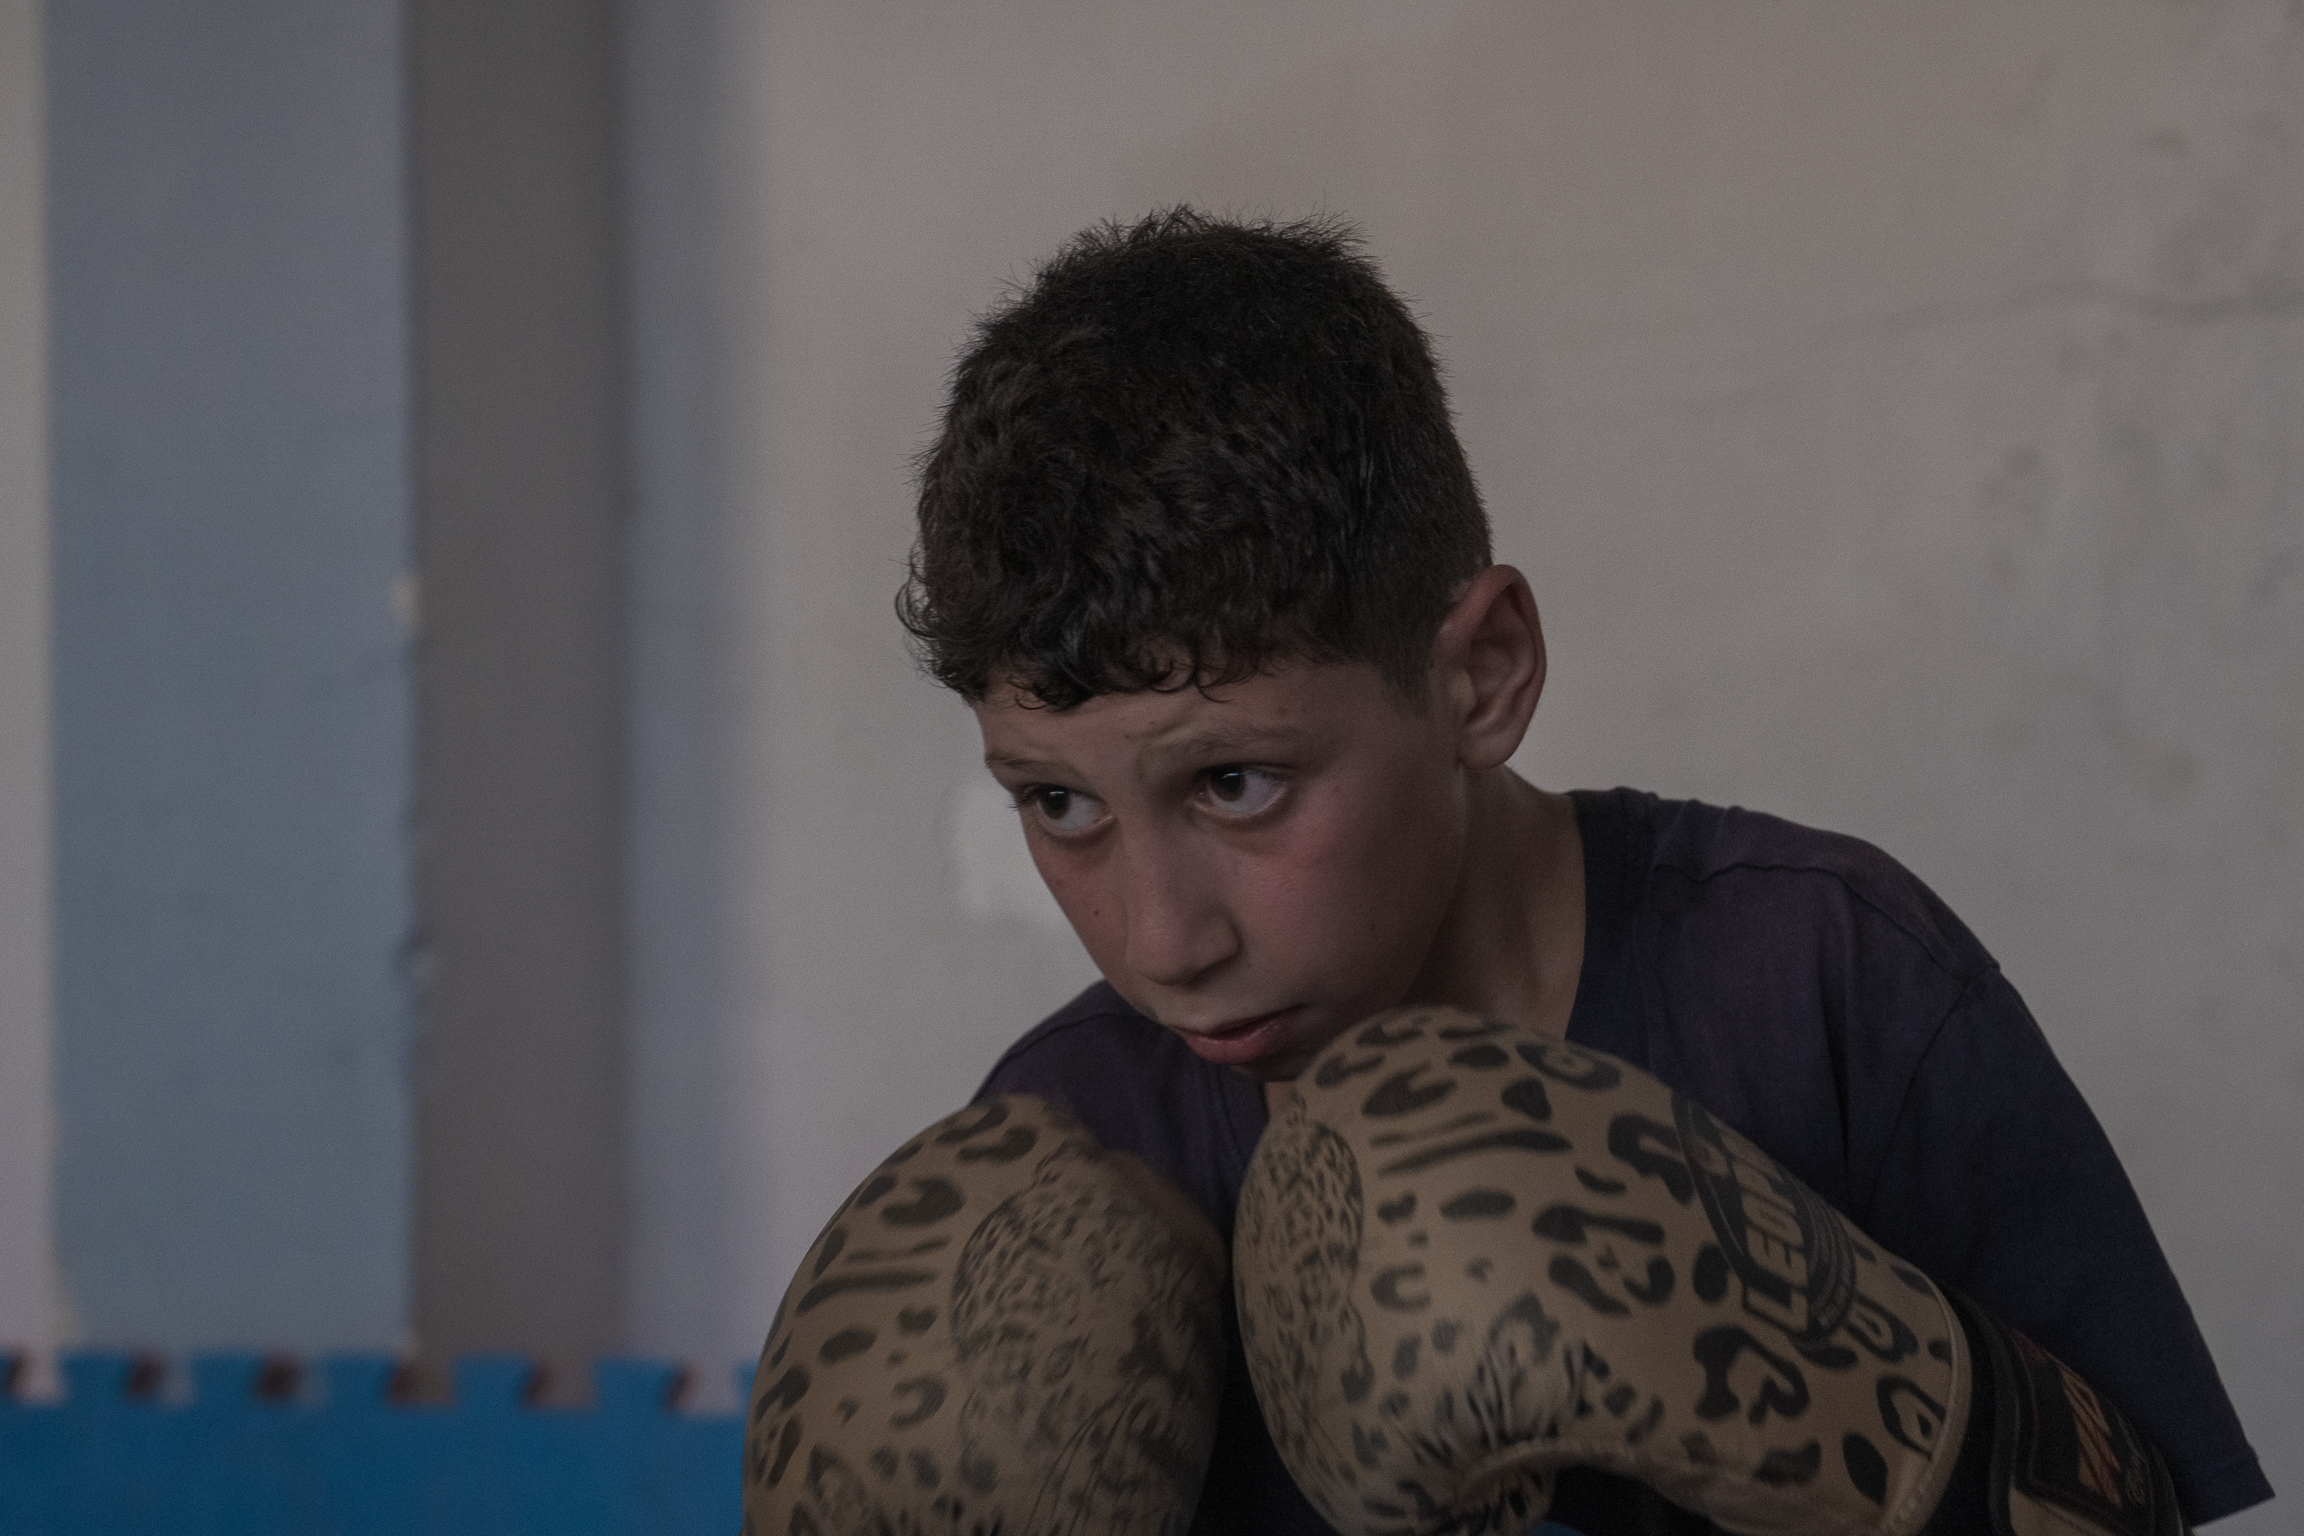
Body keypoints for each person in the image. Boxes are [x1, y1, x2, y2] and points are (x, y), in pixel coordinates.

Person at [894, 208, 2271, 1533]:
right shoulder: (1072, 1142)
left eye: (1236, 783)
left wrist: (1872, 1402)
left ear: (1480, 676)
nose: (1161, 942)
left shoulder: (1826, 987)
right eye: (1059, 803)